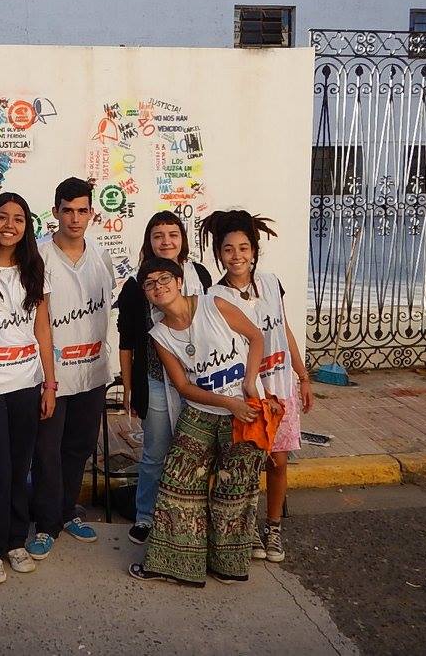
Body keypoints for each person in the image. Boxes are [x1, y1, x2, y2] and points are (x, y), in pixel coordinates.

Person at [127, 257, 275, 586]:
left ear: (179, 281)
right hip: (201, 411)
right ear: (146, 293)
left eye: (164, 279)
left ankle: (229, 566)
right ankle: (176, 565)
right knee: (177, 484)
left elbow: (256, 337)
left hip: (245, 410)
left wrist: (250, 384)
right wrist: (227, 402)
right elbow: (183, 386)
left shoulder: (214, 304)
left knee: (234, 491)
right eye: (150, 284)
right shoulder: (160, 334)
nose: (158, 287)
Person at [200, 209, 313, 564]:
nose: (236, 256)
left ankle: (273, 528)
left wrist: (303, 375)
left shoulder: (271, 283)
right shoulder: (216, 296)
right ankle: (245, 530)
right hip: (246, 392)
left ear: (254, 251)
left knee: (278, 462)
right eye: (228, 249)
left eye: (243, 248)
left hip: (281, 385)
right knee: (246, 465)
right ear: (219, 254)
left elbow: (284, 327)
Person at [0, 192, 57, 585]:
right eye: (2, 217)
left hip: (26, 382)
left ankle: (16, 541)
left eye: (18, 219)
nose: (10, 225)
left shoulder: (35, 271)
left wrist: (49, 384)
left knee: (20, 467)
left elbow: (43, 330)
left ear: (27, 227)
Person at [27, 178, 115, 559]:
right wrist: (47, 379)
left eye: (82, 210)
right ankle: (46, 524)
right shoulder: (39, 257)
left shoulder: (101, 257)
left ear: (92, 213)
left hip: (92, 372)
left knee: (79, 447)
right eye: (68, 210)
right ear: (55, 212)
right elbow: (38, 321)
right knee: (47, 450)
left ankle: (66, 512)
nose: (75, 218)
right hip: (53, 374)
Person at [116, 211, 212, 545]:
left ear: (182, 240)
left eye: (173, 234)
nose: (166, 241)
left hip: (200, 378)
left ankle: (192, 516)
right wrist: (128, 388)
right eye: (158, 235)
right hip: (157, 381)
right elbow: (127, 342)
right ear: (149, 241)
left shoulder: (199, 275)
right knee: (155, 453)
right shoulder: (135, 286)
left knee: (198, 452)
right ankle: (145, 516)